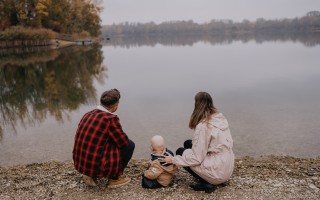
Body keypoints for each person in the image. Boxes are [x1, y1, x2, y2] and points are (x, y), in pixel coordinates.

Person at [160, 92, 234, 193]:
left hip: (217, 173)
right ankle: (208, 178)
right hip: (227, 168)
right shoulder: (220, 118)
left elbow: (197, 158)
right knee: (188, 143)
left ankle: (207, 182)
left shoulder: (204, 125)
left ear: (197, 105)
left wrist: (173, 160)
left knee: (180, 151)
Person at [72, 89, 135, 188]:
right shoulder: (110, 119)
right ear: (116, 105)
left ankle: (89, 174)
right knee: (130, 145)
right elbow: (123, 142)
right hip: (94, 165)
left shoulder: (88, 114)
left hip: (81, 163)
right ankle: (114, 179)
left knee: (101, 142)